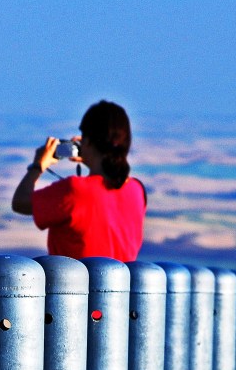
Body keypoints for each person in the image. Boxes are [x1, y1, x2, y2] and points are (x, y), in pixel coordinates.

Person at [11, 100, 145, 261]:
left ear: (88, 141)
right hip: (123, 278)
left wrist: (38, 166)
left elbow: (20, 202)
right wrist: (93, 158)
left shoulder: (75, 190)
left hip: (74, 278)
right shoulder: (137, 190)